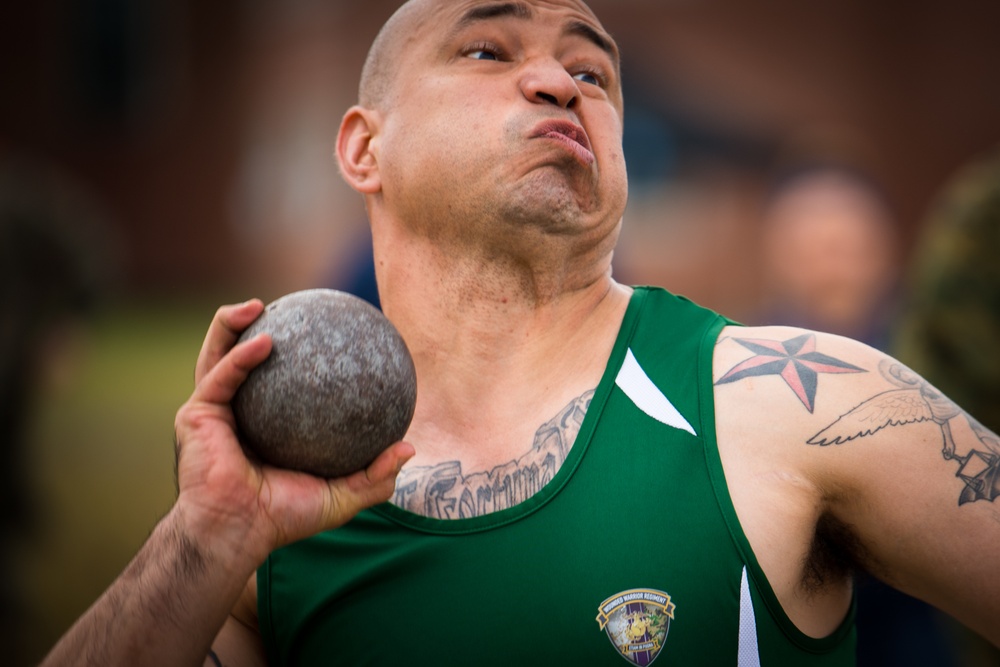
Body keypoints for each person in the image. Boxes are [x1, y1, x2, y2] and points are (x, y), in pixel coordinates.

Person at [42, 1, 999, 665]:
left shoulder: (796, 398)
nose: (559, 82)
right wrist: (203, 542)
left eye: (593, 71)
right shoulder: (279, 525)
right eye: (488, 51)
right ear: (364, 146)